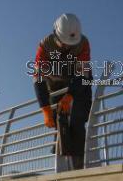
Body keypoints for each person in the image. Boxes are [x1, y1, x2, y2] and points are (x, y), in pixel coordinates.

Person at [33, 13, 93, 170]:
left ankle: (80, 162)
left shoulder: (82, 44)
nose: (67, 47)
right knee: (59, 120)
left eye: (70, 44)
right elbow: (38, 78)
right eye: (64, 43)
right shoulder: (45, 45)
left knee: (78, 119)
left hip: (77, 80)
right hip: (55, 81)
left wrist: (71, 96)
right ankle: (62, 157)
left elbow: (83, 74)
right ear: (56, 35)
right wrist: (45, 108)